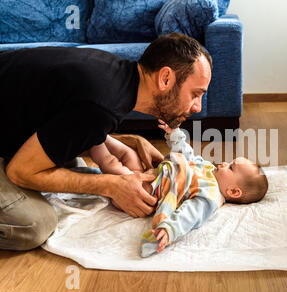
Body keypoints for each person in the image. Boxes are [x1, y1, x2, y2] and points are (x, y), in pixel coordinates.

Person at [0, 33, 213, 251]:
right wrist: (111, 186)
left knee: (70, 167)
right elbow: (19, 172)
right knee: (34, 223)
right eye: (196, 94)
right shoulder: (102, 105)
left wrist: (130, 140)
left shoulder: (113, 77)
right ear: (165, 78)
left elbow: (73, 120)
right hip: (13, 159)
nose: (197, 106)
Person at [136, 119, 269, 257]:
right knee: (129, 157)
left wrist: (169, 229)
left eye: (230, 167)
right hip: (160, 172)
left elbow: (190, 213)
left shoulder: (211, 196)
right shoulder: (209, 169)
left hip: (157, 188)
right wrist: (175, 134)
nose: (224, 162)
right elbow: (189, 157)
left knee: (132, 182)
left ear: (233, 191)